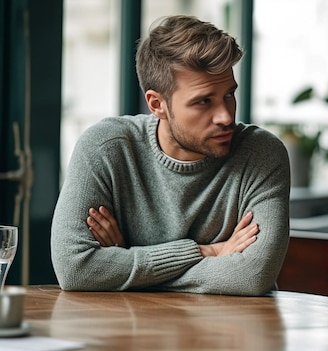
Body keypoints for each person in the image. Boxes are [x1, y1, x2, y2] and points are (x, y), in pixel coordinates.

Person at [50, 15, 291, 295]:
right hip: (127, 330)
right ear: (157, 104)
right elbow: (76, 269)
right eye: (203, 102)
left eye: (229, 94)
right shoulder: (106, 148)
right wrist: (206, 251)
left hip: (230, 331)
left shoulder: (260, 154)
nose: (226, 116)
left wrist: (126, 262)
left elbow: (252, 275)